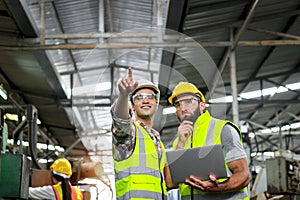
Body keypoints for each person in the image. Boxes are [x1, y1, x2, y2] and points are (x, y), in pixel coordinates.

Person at [166, 82, 250, 200]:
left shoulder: (223, 129)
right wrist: (180, 143)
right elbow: (170, 183)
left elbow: (244, 176)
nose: (183, 108)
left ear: (202, 105)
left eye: (189, 101)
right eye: (177, 104)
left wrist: (219, 187)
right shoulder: (178, 141)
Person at [111, 67, 168, 199]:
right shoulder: (130, 133)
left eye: (150, 97)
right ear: (132, 105)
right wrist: (124, 95)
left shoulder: (157, 140)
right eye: (139, 97)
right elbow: (120, 121)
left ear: (156, 103)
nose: (145, 100)